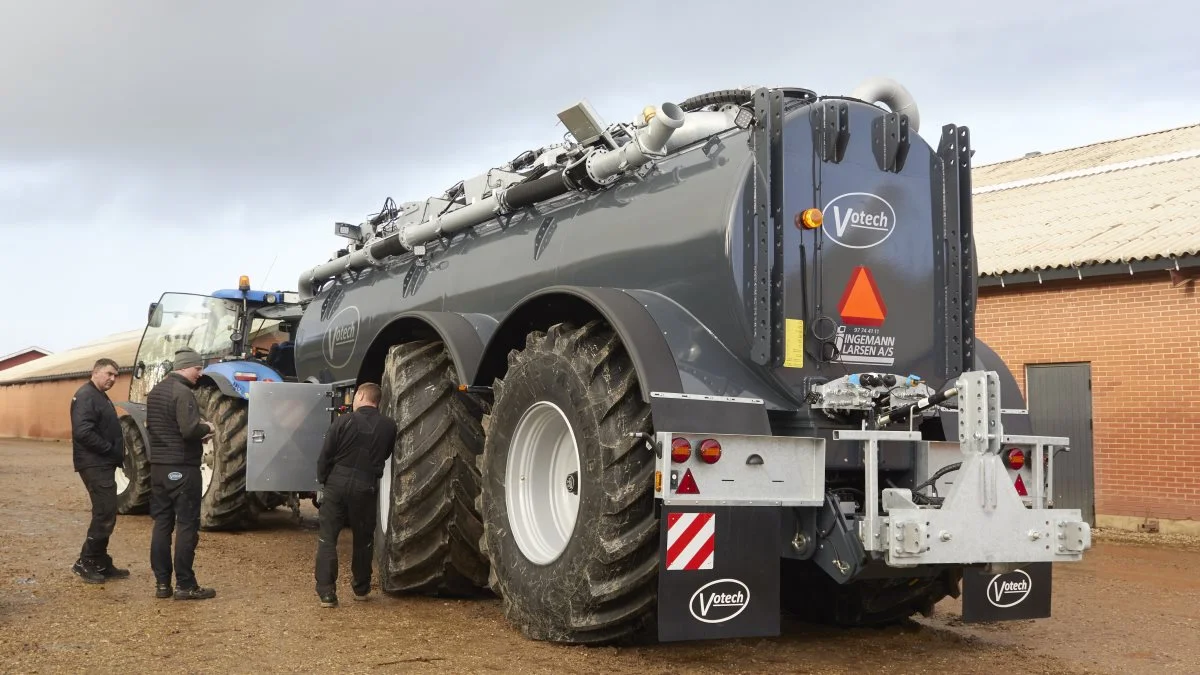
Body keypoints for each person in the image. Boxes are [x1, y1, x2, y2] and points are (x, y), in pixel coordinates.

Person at [314, 382, 397, 608]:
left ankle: (327, 594)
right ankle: (361, 588)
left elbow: (326, 455)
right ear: (377, 401)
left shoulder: (343, 421)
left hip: (336, 484)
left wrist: (323, 480)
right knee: (363, 539)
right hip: (366, 486)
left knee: (328, 537)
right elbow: (386, 453)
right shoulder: (389, 426)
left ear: (360, 395)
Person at [145, 347, 217, 600]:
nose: (200, 373)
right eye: (198, 368)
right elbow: (188, 430)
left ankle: (162, 584)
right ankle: (185, 584)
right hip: (183, 468)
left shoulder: (155, 392)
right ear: (186, 367)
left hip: (159, 468)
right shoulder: (183, 392)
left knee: (162, 524)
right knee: (187, 525)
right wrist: (206, 428)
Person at [70, 358, 130, 584]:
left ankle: (100, 561)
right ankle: (85, 562)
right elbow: (83, 432)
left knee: (108, 512)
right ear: (94, 372)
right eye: (109, 374)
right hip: (94, 463)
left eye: (116, 375)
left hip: (101, 463)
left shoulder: (98, 395)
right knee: (104, 512)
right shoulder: (86, 396)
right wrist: (109, 450)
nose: (113, 379)